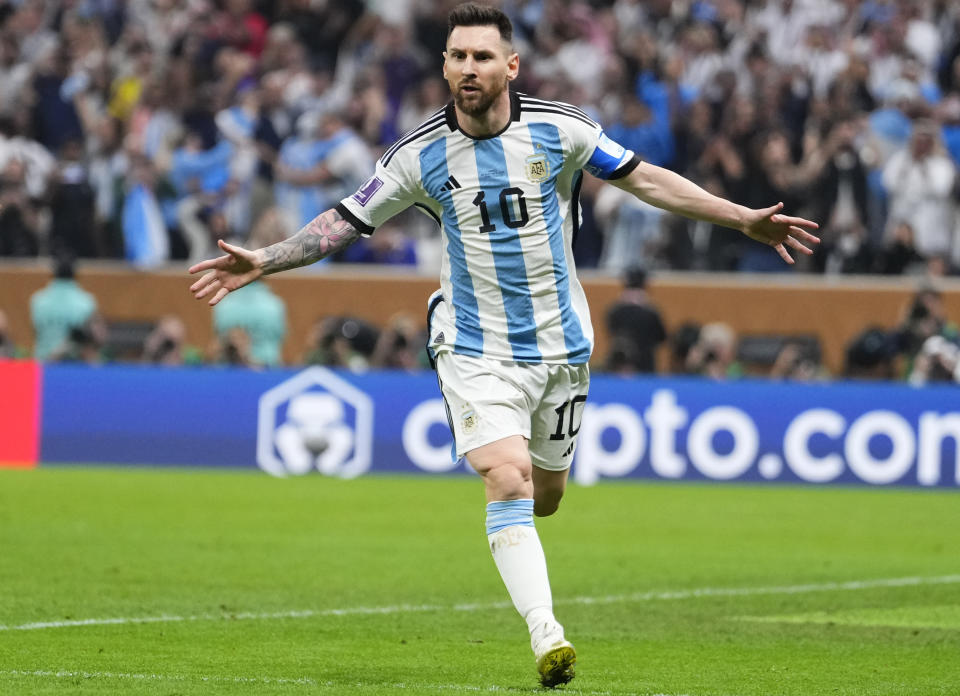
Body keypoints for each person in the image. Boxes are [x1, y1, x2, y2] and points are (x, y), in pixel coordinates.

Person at [188, 3, 819, 687]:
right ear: (444, 66)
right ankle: (546, 633)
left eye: (482, 57)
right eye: (457, 56)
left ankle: (533, 553)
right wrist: (267, 258)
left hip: (561, 348)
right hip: (471, 344)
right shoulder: (418, 156)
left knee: (546, 496)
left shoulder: (562, 130)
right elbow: (343, 219)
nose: (468, 68)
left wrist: (740, 219)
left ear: (510, 66)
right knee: (507, 475)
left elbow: (645, 178)